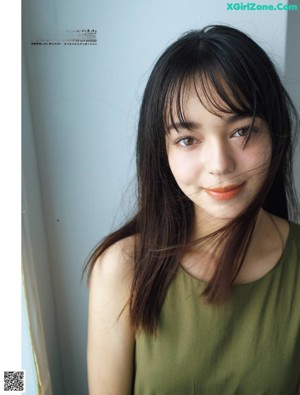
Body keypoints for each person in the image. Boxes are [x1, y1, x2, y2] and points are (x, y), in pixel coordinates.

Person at [84, 25, 300, 394]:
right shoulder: (123, 268)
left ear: (274, 133)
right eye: (187, 139)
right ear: (161, 152)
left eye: (241, 131)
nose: (219, 164)